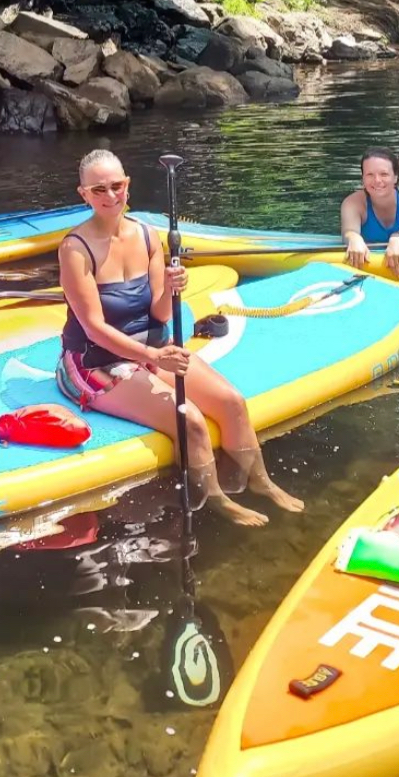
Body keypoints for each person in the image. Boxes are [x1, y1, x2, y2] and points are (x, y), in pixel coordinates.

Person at [56, 149, 303, 528]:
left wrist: (173, 290)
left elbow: (158, 313)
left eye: (116, 186)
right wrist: (153, 356)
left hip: (150, 347)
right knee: (190, 421)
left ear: (128, 185)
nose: (110, 196)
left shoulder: (145, 234)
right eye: (99, 189)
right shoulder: (75, 249)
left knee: (233, 403)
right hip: (95, 360)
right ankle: (216, 499)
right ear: (83, 194)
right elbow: (93, 329)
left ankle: (259, 481)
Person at [341, 147, 399, 276]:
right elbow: (349, 230)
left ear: (395, 177)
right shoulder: (352, 203)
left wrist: (397, 239)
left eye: (384, 174)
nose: (377, 180)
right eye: (370, 174)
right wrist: (354, 239)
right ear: (363, 178)